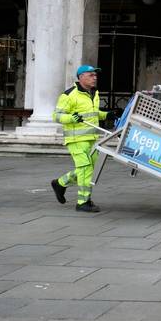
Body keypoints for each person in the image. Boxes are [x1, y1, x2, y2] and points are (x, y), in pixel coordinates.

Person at [50, 65, 108, 212]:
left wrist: (106, 115)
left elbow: (93, 114)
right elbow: (56, 116)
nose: (94, 77)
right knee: (85, 168)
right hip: (76, 139)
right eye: (91, 75)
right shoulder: (69, 95)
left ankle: (60, 183)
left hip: (91, 137)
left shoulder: (94, 93)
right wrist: (71, 117)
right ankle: (83, 202)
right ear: (81, 77)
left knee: (89, 169)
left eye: (95, 75)